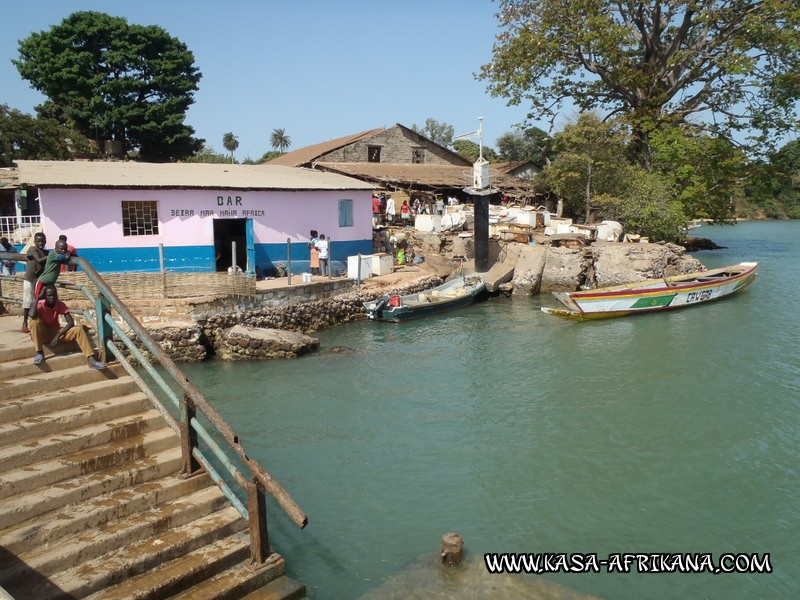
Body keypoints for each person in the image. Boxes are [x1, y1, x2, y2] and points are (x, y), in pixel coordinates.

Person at [29, 284, 107, 369]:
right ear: (44, 296)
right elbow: (32, 315)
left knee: (78, 330)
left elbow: (70, 322)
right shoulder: (40, 304)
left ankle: (91, 360)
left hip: (55, 332)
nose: (52, 297)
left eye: (54, 295)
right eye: (49, 295)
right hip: (42, 334)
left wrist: (57, 336)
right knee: (34, 322)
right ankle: (40, 352)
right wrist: (37, 298)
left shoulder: (59, 304)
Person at [21, 232, 48, 333]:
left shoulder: (46, 252)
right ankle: (24, 322)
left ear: (46, 241)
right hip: (29, 278)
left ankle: (40, 322)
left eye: (42, 241)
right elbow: (39, 260)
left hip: (39, 279)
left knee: (39, 300)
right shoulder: (32, 249)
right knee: (27, 300)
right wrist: (53, 255)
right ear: (35, 242)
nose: (41, 243)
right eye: (38, 241)